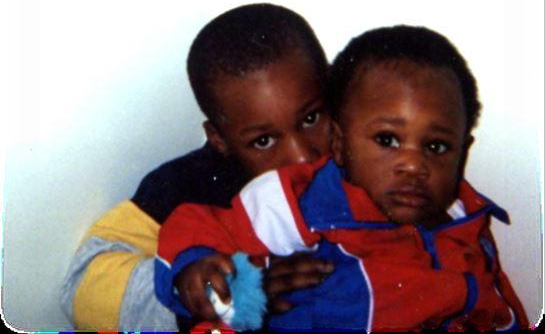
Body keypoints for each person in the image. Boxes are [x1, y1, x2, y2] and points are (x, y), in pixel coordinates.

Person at [156, 25, 529, 331]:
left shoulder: (469, 227)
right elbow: (200, 224)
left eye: (435, 146)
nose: (413, 165)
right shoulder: (308, 196)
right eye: (388, 140)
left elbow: (499, 312)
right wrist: (195, 266)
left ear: (462, 150)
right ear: (339, 141)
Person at [60, 3, 335, 331]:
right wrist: (211, 291)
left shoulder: (363, 152)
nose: (301, 156)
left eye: (311, 118)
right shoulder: (190, 184)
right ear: (219, 139)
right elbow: (81, 288)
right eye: (263, 141)